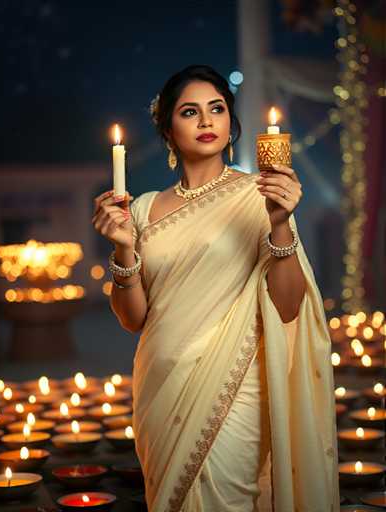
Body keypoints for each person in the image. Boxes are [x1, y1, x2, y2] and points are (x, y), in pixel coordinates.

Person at [92, 65, 340, 512]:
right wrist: (123, 250)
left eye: (217, 109)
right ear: (168, 130)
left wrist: (280, 222)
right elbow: (134, 319)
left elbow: (287, 308)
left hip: (234, 389)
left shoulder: (262, 195)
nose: (206, 121)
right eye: (190, 111)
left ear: (231, 126)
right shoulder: (144, 209)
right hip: (161, 388)